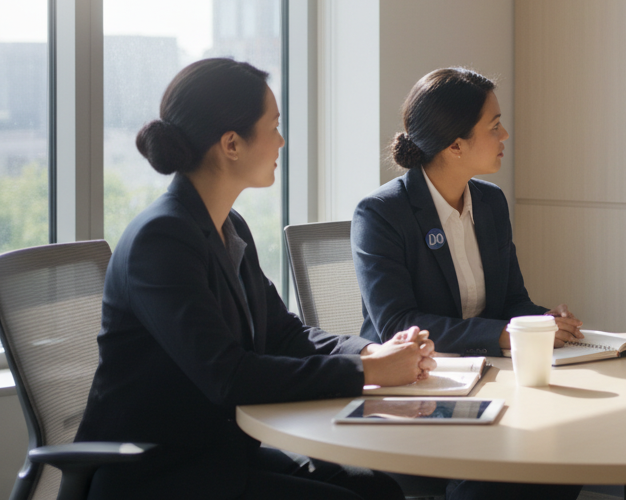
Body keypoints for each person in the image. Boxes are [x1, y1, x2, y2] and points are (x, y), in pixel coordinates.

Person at [75, 58, 435, 500]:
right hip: (157, 473)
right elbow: (227, 376)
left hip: (218, 457)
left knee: (379, 489)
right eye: (274, 126)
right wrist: (365, 372)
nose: (282, 140)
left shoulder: (229, 227)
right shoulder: (161, 239)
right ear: (231, 144)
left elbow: (283, 334)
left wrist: (373, 350)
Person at [352, 67, 581, 500]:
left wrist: (543, 321)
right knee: (506, 476)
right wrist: (501, 333)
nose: (505, 135)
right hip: (415, 393)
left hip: (491, 383)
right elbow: (396, 323)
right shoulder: (381, 214)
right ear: (455, 145)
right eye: (494, 127)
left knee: (566, 452)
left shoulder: (491, 203)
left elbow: (513, 301)